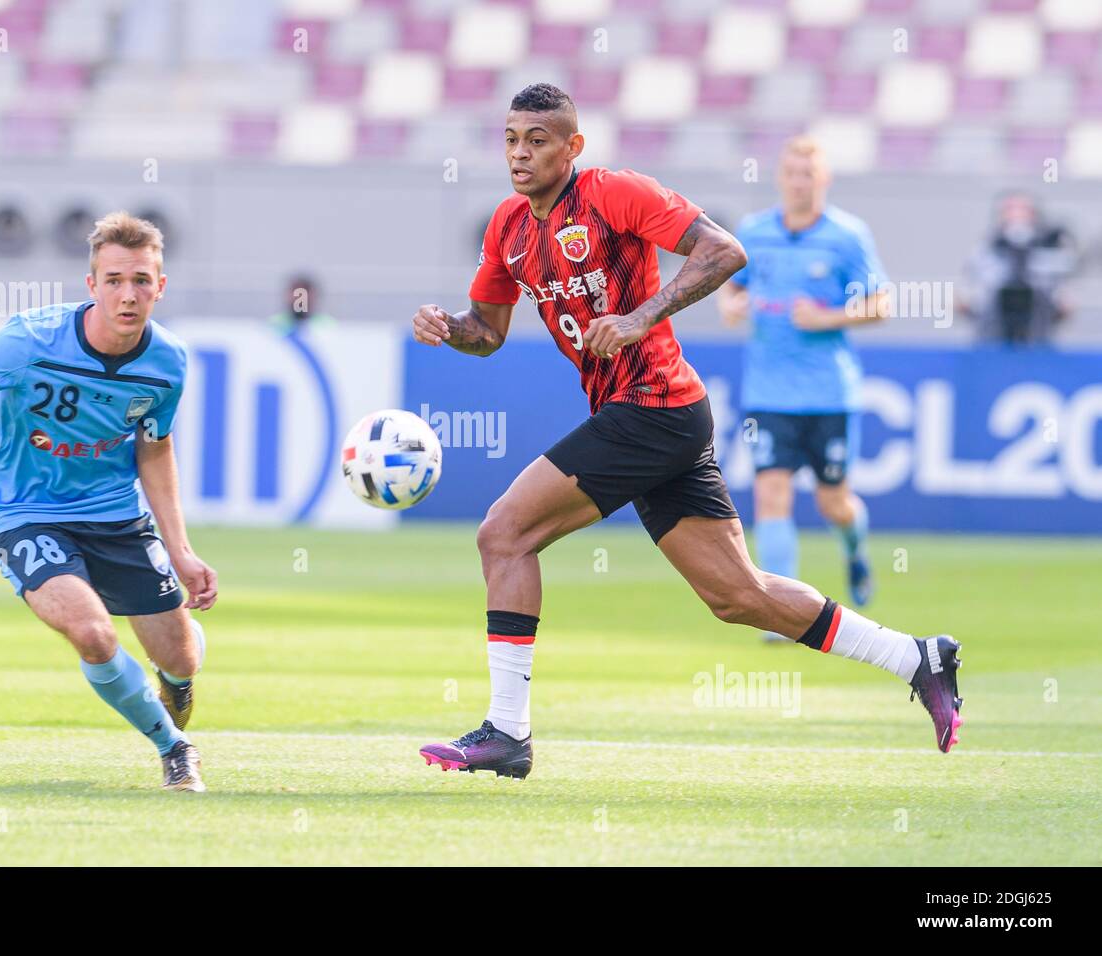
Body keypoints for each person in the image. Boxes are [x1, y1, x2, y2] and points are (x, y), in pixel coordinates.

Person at [411, 84, 962, 780]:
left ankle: (507, 732)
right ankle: (918, 657)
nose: (521, 153)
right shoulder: (508, 228)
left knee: (504, 532)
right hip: (659, 416)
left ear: (572, 146)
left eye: (538, 139)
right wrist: (449, 329)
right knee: (739, 597)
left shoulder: (613, 193)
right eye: (512, 139)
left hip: (649, 408)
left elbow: (724, 251)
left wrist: (640, 316)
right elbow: (486, 332)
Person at [0, 212, 217, 792]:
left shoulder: (168, 361)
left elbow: (154, 450)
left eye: (142, 281)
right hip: (24, 512)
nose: (129, 294)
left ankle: (176, 676)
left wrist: (183, 552)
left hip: (116, 515)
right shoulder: (30, 339)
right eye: (114, 280)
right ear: (91, 285)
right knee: (93, 633)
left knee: (182, 659)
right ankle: (174, 748)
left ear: (160, 287)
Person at [715, 137, 890, 642]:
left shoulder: (847, 236)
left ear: (824, 179)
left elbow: (880, 303)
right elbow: (734, 285)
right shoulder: (755, 231)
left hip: (829, 394)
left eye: (808, 173)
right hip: (768, 393)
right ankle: (782, 615)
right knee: (772, 493)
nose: (799, 181)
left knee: (835, 503)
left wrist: (829, 316)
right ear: (779, 177)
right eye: (791, 172)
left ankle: (854, 548)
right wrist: (731, 304)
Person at [958, 192, 1077, 345]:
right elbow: (970, 293)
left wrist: (1062, 303)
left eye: (1023, 210)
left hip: (1037, 338)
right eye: (1011, 210)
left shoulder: (1051, 252)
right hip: (991, 337)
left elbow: (1062, 297)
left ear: (1035, 215)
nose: (1017, 215)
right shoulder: (984, 251)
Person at [268, 274, 337, 336]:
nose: (300, 298)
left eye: (305, 292)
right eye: (296, 292)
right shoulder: (274, 323)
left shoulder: (327, 324)